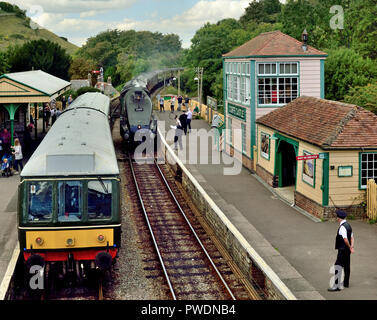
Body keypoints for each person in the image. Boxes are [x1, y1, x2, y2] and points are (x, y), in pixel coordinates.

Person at [328, 210, 354, 292]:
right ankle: (346, 283)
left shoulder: (342, 227)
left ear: (339, 218)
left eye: (337, 217)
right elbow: (352, 238)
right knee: (347, 266)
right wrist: (351, 247)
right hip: (347, 250)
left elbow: (346, 240)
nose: (337, 218)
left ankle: (336, 286)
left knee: (337, 266)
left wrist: (349, 246)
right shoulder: (348, 226)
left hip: (342, 250)